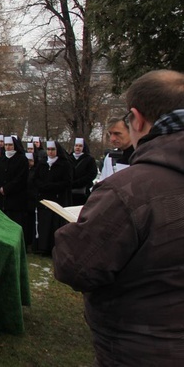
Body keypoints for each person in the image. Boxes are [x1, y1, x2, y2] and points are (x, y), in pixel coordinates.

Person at [53, 69, 184, 365]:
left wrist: (78, 230)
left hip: (142, 346)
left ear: (136, 120)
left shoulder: (130, 190)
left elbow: (75, 266)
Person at [33, 140, 72, 254]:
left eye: (52, 150)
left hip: (57, 198)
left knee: (54, 224)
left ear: (57, 150)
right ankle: (42, 247)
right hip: (43, 199)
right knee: (44, 224)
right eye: (49, 150)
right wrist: (42, 186)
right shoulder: (42, 163)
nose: (50, 152)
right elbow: (35, 178)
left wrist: (51, 186)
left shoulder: (64, 164)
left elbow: (67, 182)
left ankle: (53, 247)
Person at [98, 117, 135, 181]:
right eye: (110, 134)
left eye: (117, 134)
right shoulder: (110, 157)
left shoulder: (143, 155)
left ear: (131, 131)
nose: (112, 139)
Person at [69, 138, 97, 205]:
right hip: (70, 191)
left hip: (83, 191)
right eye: (76, 145)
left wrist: (79, 182)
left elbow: (92, 174)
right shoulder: (69, 158)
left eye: (80, 146)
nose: (78, 148)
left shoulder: (89, 159)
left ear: (83, 147)